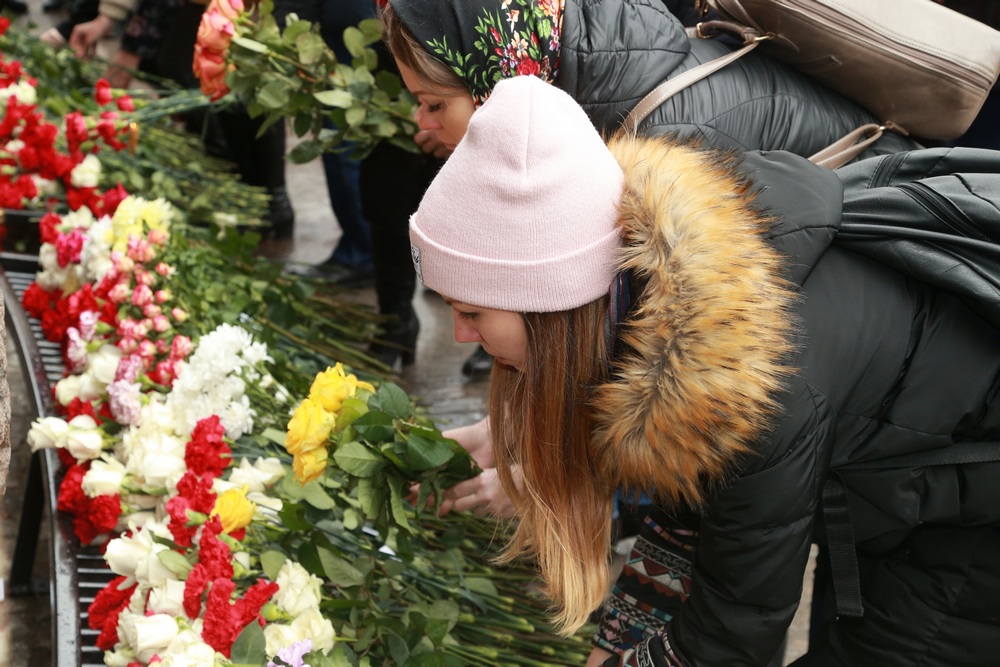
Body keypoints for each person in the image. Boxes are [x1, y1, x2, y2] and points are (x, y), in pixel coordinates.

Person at [409, 75, 1000, 667]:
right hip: (917, 486)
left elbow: (730, 639)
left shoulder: (752, 384)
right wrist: (622, 640)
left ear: (548, 301)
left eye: (471, 311)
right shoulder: (651, 309)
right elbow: (687, 519)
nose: (461, 335)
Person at [377, 0, 919, 378]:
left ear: (495, 72)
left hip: (898, 318)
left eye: (434, 103)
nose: (421, 124)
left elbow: (696, 370)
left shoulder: (659, 145)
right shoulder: (591, 84)